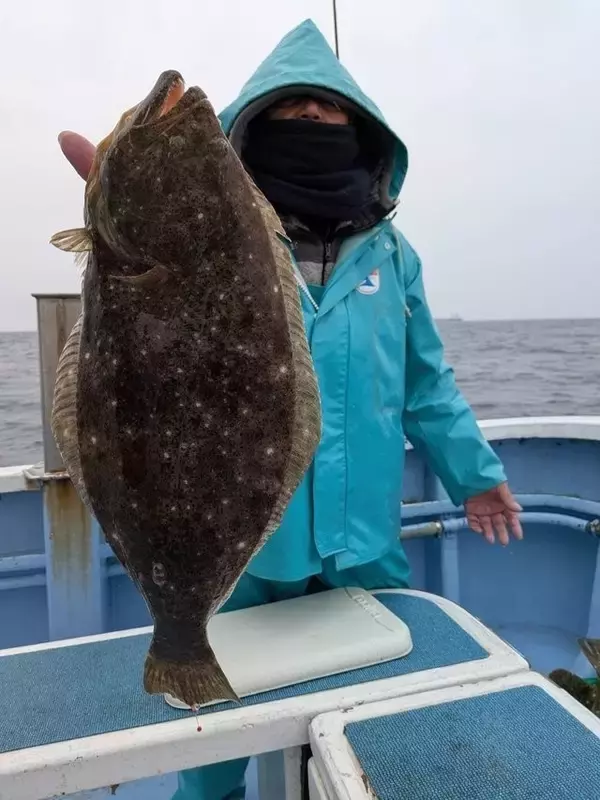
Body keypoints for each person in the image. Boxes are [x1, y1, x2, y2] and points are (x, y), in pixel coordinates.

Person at [58, 18, 523, 800]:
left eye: (327, 111)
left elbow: (426, 383)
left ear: (362, 128)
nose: (310, 123)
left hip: (364, 545)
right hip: (242, 557)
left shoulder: (393, 256)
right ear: (254, 125)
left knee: (378, 741)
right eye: (291, 112)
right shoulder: (223, 233)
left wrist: (475, 476)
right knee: (211, 759)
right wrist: (123, 209)